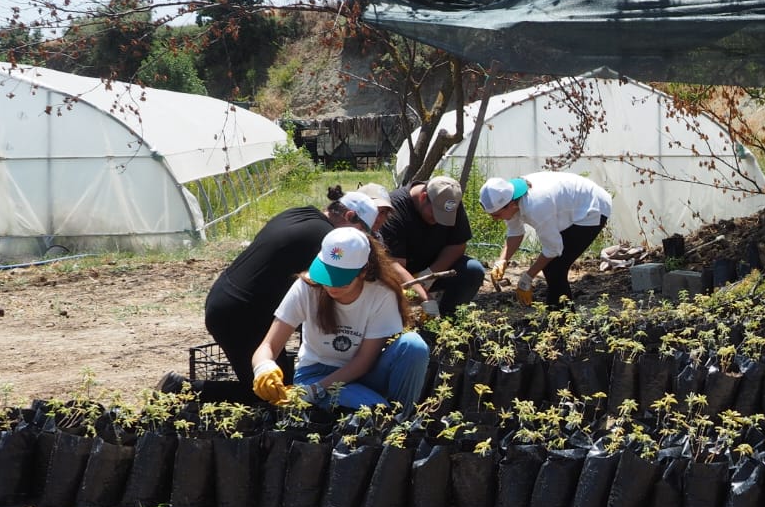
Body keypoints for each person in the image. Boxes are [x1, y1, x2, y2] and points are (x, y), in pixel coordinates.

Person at [186, 185, 379, 400]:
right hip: (240, 314)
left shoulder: (300, 213)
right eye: (360, 231)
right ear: (350, 216)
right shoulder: (327, 241)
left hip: (225, 296)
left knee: (279, 380)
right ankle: (184, 390)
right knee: (273, 395)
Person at [251, 227, 431, 410]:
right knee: (376, 410)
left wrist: (316, 391)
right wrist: (263, 368)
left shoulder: (381, 294)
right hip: (316, 373)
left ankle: (401, 422)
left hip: (363, 371)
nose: (331, 286)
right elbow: (268, 346)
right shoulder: (307, 287)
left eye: (341, 280)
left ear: (363, 271)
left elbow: (364, 361)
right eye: (326, 276)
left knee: (413, 346)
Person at [480, 173, 613, 308]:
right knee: (552, 266)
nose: (495, 219)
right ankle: (558, 317)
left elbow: (553, 249)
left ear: (511, 205)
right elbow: (515, 233)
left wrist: (526, 279)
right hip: (571, 204)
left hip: (592, 208)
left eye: (496, 215)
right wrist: (502, 261)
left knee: (555, 267)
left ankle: (563, 320)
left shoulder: (536, 206)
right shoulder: (511, 197)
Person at [378, 175, 484, 317]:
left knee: (473, 271)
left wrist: (430, 274)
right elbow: (395, 265)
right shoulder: (395, 208)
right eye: (435, 214)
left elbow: (458, 245)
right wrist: (424, 296)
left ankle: (449, 320)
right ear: (423, 197)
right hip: (401, 273)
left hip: (435, 268)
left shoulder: (449, 202)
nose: (438, 220)